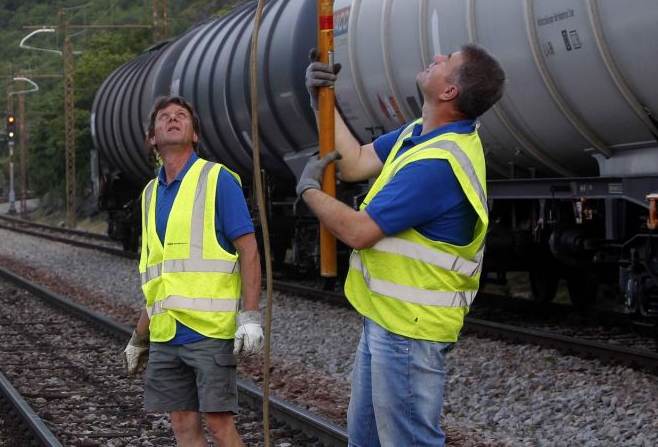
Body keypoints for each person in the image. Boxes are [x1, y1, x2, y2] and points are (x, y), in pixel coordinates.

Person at [297, 44, 506, 447]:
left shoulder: (437, 165)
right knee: (368, 440)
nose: (439, 57)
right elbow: (355, 161)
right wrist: (320, 100)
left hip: (408, 331)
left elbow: (359, 232)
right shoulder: (420, 134)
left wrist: (308, 191)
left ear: (449, 92)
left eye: (449, 62)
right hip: (388, 319)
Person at [123, 95, 264, 447]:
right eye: (164, 117)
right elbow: (160, 279)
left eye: (181, 116)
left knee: (219, 424)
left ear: (195, 134)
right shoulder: (149, 194)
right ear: (152, 138)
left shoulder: (217, 180)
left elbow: (248, 250)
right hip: (167, 334)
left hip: (210, 332)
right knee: (183, 424)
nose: (173, 119)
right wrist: (140, 337)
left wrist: (250, 316)